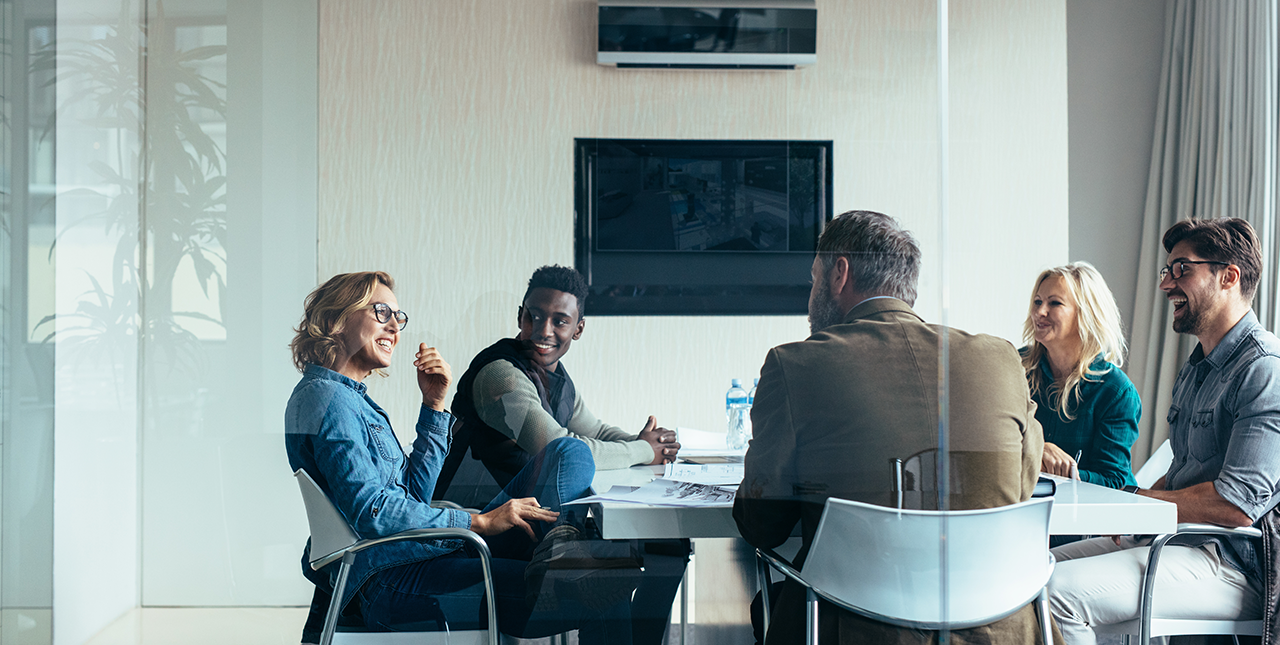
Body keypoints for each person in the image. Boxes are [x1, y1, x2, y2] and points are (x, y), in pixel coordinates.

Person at [734, 210, 1048, 644]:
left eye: (813, 279)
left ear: (839, 273)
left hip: (854, 628)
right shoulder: (1000, 358)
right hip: (998, 629)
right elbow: (1020, 485)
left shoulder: (796, 365)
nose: (810, 297)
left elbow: (762, 523)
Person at [284, 271, 634, 644]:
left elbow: (413, 498)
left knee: (571, 453)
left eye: (398, 318)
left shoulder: (349, 399)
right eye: (382, 312)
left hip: (420, 555)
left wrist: (434, 404)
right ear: (338, 316)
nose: (394, 327)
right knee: (603, 591)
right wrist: (478, 522)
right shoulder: (328, 399)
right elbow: (373, 513)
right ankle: (559, 556)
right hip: (395, 582)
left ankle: (558, 550)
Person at [1049, 218, 1280, 644]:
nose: (1166, 284)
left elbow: (1236, 504)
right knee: (1033, 572)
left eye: (1182, 269)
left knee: (1055, 595)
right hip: (1178, 542)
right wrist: (1133, 513)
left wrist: (1136, 504)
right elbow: (1182, 472)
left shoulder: (1264, 371)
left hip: (1230, 563)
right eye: (1166, 271)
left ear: (1228, 276)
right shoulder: (1196, 370)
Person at [442, 264, 688, 645]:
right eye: (534, 316)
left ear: (579, 328)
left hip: (530, 523)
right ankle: (567, 554)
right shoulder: (500, 376)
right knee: (599, 568)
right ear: (519, 316)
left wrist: (650, 444)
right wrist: (642, 450)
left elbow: (597, 431)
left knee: (665, 544)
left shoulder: (556, 378)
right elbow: (563, 446)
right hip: (479, 525)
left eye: (559, 321)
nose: (543, 330)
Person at [1021, 262, 1141, 489]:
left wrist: (1063, 472)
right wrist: (1037, 448)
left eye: (1054, 303)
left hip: (1087, 516)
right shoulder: (1016, 368)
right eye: (1037, 301)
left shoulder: (1117, 392)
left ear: (1087, 314)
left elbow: (1114, 480)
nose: (1039, 312)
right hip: (1027, 507)